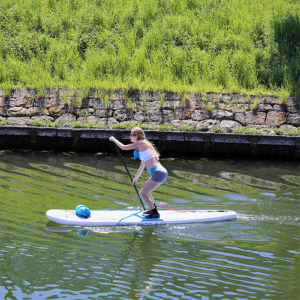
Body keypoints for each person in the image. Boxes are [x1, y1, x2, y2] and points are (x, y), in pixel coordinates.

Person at [109, 127, 168, 219]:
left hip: (158, 173)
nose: (130, 136)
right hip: (160, 173)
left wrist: (114, 140)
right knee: (147, 192)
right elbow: (142, 166)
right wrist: (135, 178)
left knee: (142, 194)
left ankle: (155, 213)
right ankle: (152, 209)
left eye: (131, 135)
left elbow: (124, 147)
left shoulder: (140, 143)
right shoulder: (143, 148)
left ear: (136, 136)